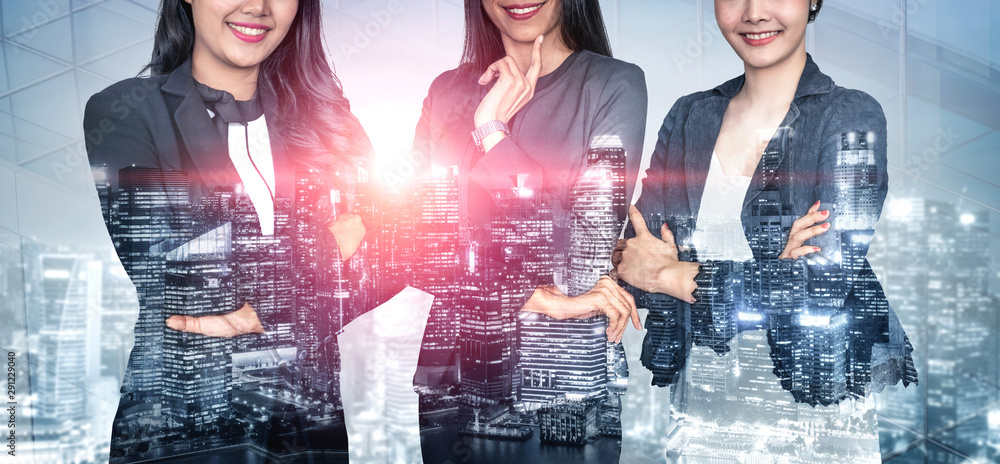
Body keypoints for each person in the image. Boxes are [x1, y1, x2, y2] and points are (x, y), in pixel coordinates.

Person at [615, 0, 917, 461]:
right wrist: (772, 272)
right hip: (701, 415)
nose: (754, 12)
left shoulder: (849, 116)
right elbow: (636, 256)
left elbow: (822, 286)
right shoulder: (689, 117)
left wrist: (672, 277)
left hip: (813, 425)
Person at [85, 0, 373, 461]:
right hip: (184, 428)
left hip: (313, 431)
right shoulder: (127, 111)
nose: (257, 6)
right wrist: (327, 251)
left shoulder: (331, 126)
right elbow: (178, 275)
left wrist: (252, 299)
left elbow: (384, 266)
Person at [408, 0, 647, 462]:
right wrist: (534, 296)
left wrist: (493, 133)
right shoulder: (446, 92)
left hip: (562, 381)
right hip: (453, 380)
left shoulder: (613, 84)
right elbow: (417, 245)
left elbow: (584, 244)